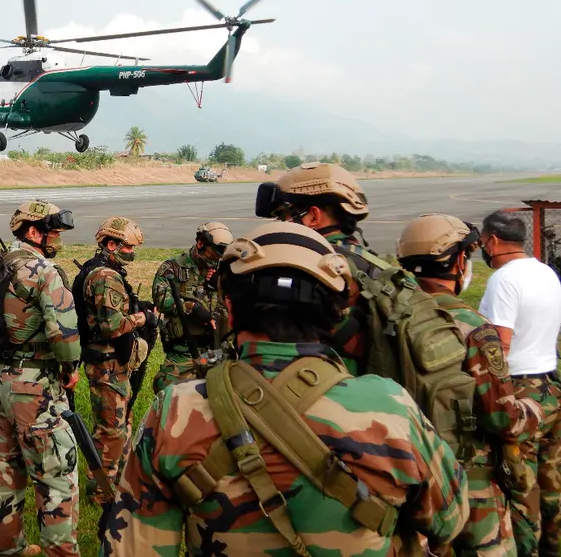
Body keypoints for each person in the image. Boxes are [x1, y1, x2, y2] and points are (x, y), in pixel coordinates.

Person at [100, 222, 469, 556]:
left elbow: (133, 549)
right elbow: (450, 522)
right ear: (338, 312)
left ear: (229, 307)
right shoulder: (392, 409)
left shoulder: (174, 413)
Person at [397, 213, 544, 557]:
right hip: (467, 480)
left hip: (405, 473)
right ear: (459, 260)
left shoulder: (386, 319)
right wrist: (534, 409)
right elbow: (502, 419)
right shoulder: (473, 327)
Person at [0, 200, 81, 557]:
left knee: (3, 468)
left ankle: (7, 548)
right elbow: (64, 334)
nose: (57, 240)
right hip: (36, 385)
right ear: (33, 231)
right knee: (56, 473)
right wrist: (69, 371)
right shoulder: (44, 270)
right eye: (54, 233)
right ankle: (60, 552)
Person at [477, 210, 561, 556]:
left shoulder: (504, 280)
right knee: (553, 483)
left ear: (492, 241)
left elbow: (500, 345)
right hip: (551, 385)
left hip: (520, 391)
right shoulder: (546, 273)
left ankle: (527, 549)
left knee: (521, 485)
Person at [253, 162, 376, 375]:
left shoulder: (311, 269)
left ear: (313, 216)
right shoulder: (372, 263)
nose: (280, 223)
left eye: (283, 216)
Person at [71, 217, 156, 510]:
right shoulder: (105, 276)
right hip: (106, 362)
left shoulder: (104, 271)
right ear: (111, 244)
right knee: (110, 431)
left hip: (113, 362)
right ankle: (101, 493)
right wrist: (145, 318)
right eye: (129, 247)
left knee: (122, 425)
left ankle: (117, 484)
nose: (132, 252)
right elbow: (111, 326)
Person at [151, 221, 233, 393]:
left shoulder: (224, 270)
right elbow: (160, 298)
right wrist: (190, 307)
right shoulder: (173, 267)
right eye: (216, 252)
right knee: (167, 393)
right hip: (185, 351)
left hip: (218, 350)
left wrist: (221, 283)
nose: (218, 257)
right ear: (200, 244)